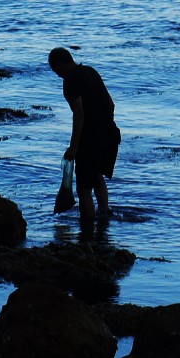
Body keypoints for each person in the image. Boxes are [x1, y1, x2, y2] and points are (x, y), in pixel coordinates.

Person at [48, 47, 119, 229]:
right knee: (97, 175)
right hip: (110, 132)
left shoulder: (70, 81)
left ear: (61, 64)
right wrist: (105, 126)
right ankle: (104, 217)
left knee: (84, 188)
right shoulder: (90, 71)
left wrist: (74, 146)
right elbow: (110, 104)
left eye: (56, 70)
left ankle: (86, 231)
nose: (57, 75)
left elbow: (79, 113)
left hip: (91, 138)